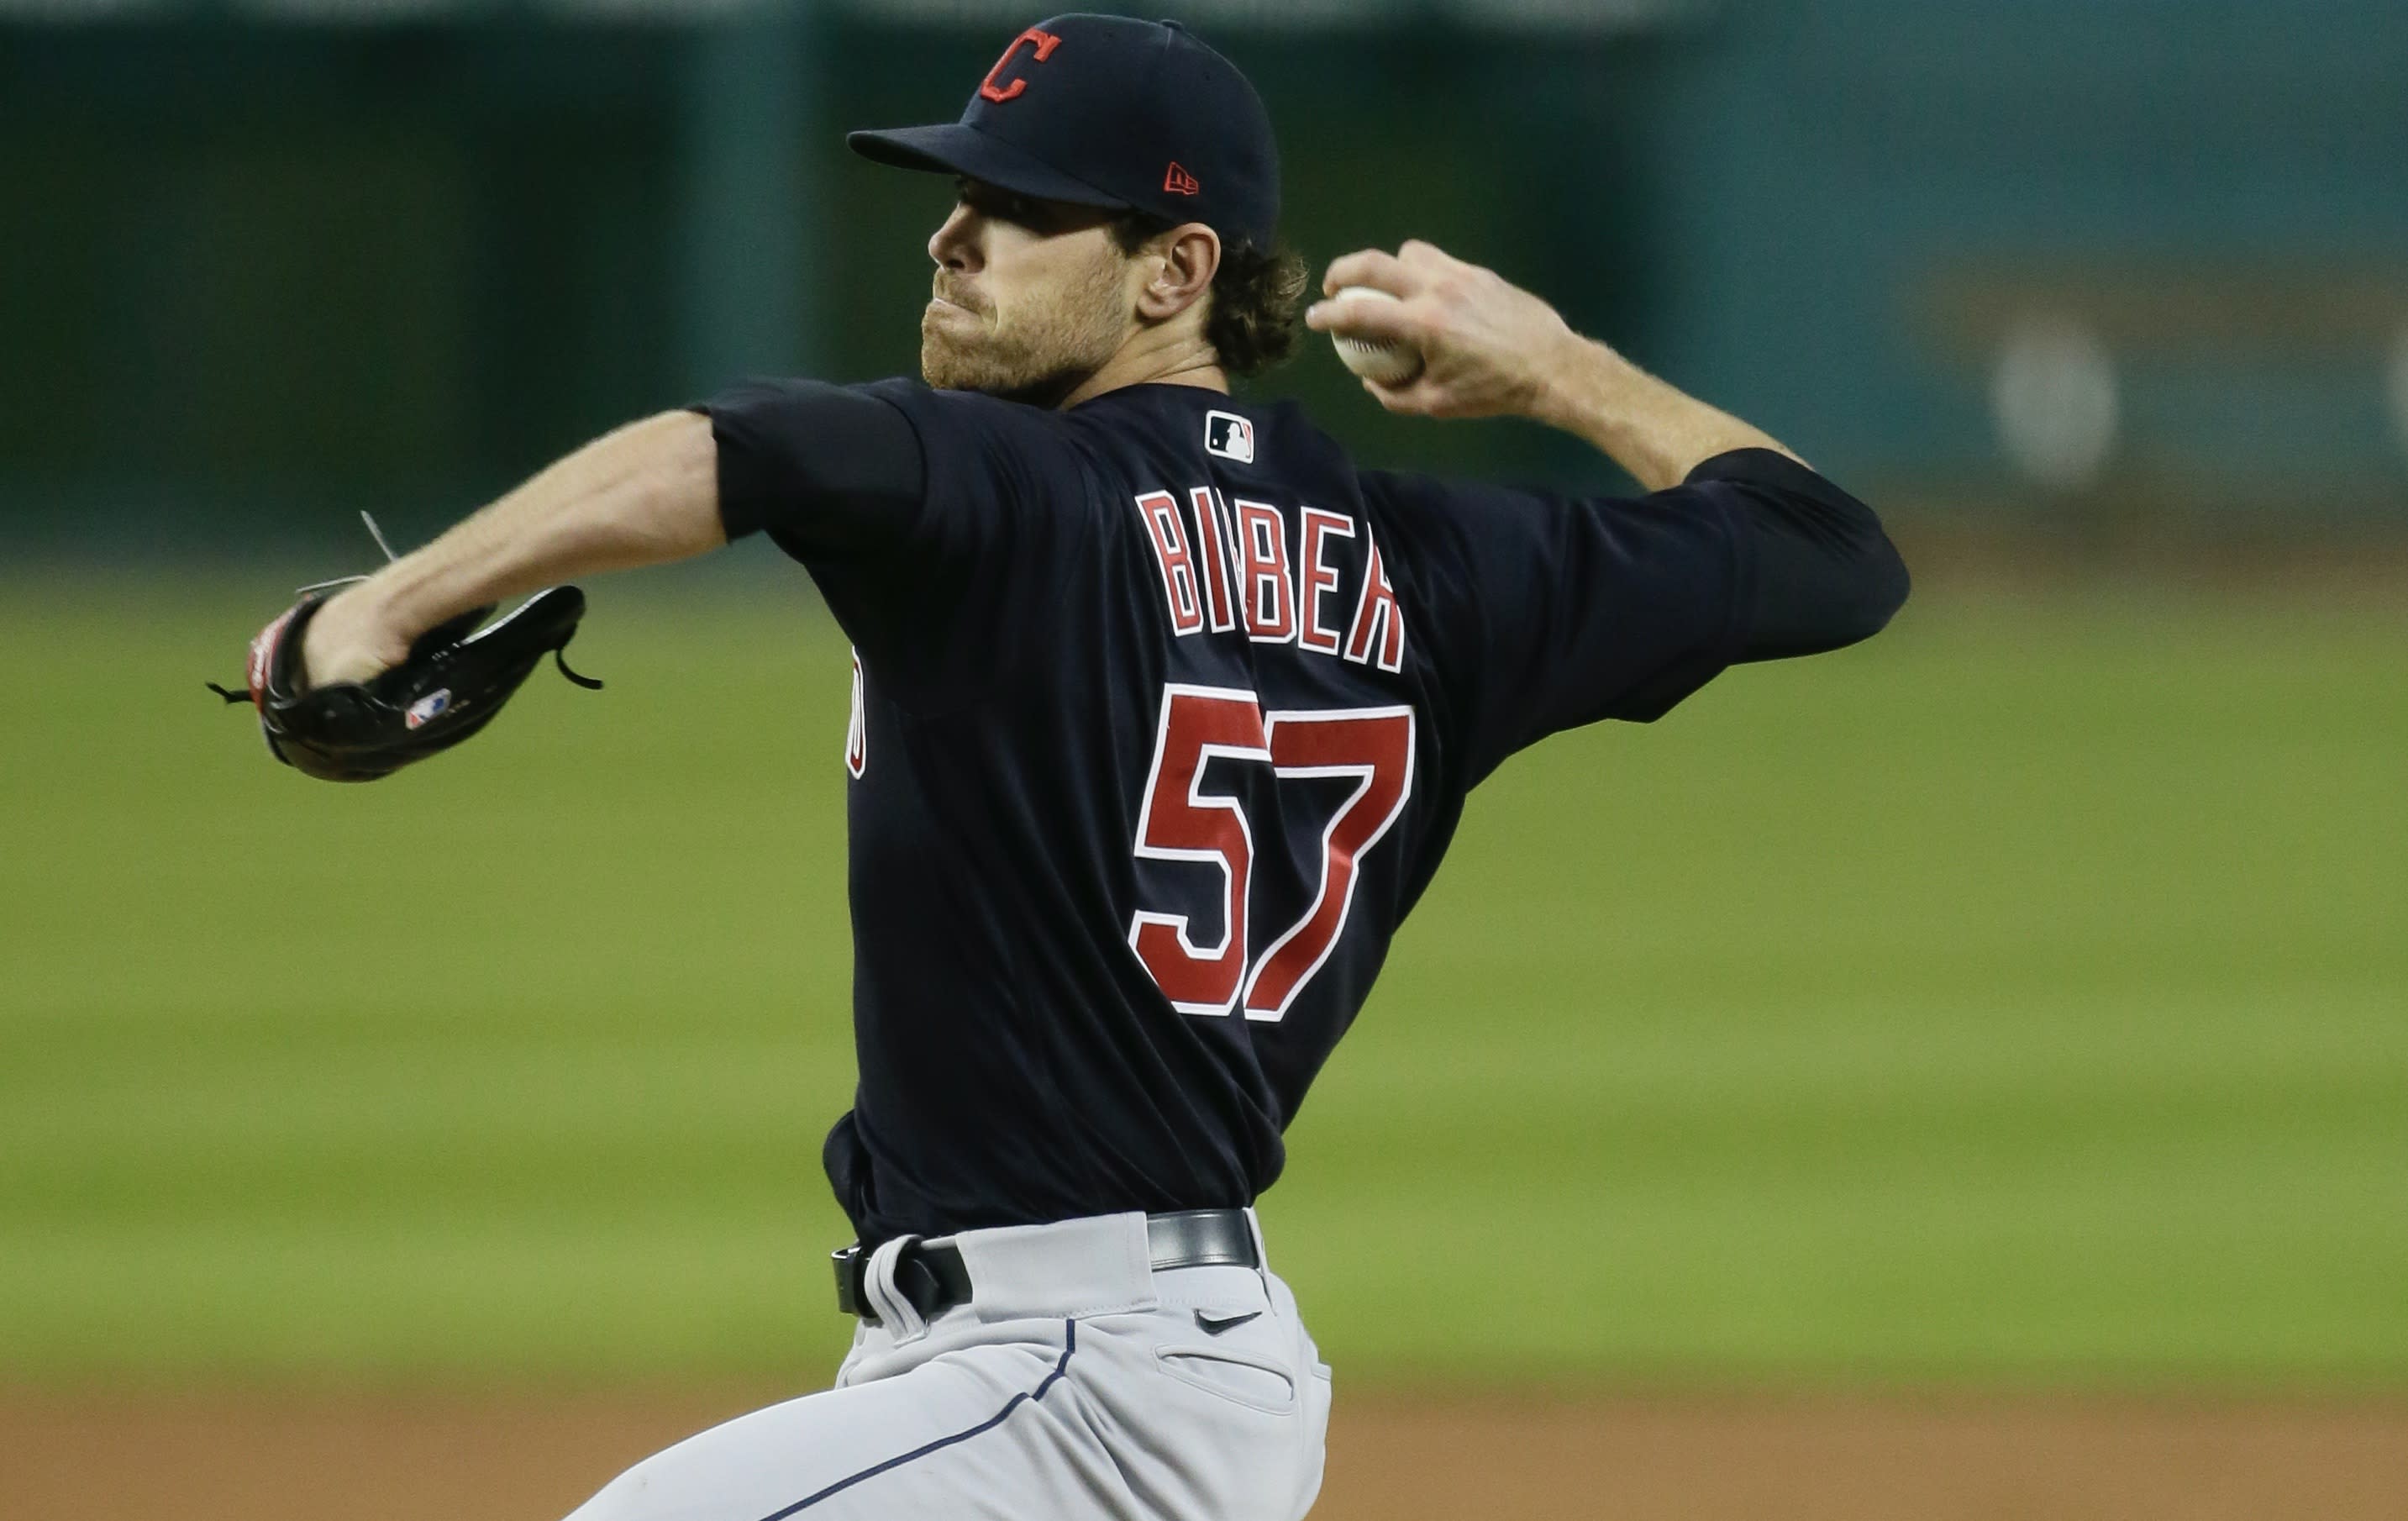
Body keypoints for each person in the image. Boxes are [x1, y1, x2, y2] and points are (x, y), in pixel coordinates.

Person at [294, 14, 1907, 1520]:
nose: (950, 234)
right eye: (958, 193)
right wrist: (1555, 369)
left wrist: (389, 600)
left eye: (1018, 204)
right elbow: (1826, 556)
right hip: (1125, 1367)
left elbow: (732, 453)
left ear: (1173, 270)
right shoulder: (1434, 567)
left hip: (1078, 1383)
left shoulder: (1006, 487)